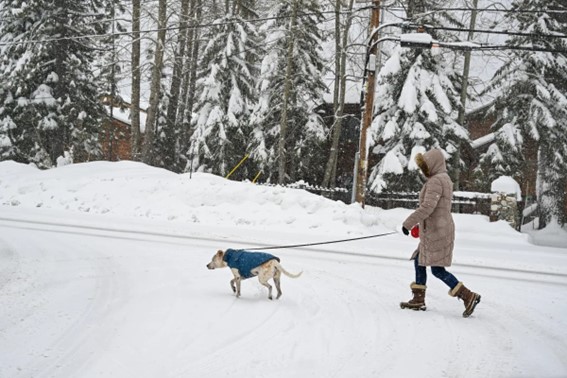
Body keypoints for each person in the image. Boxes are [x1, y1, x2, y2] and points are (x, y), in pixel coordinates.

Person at [399, 148, 481, 318]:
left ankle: (468, 295)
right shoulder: (444, 179)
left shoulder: (436, 181)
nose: (424, 170)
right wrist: (419, 225)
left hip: (437, 231)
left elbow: (428, 207)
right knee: (419, 260)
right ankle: (418, 299)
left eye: (426, 166)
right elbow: (435, 209)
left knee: (437, 269)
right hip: (437, 228)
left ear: (434, 164)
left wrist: (409, 223)